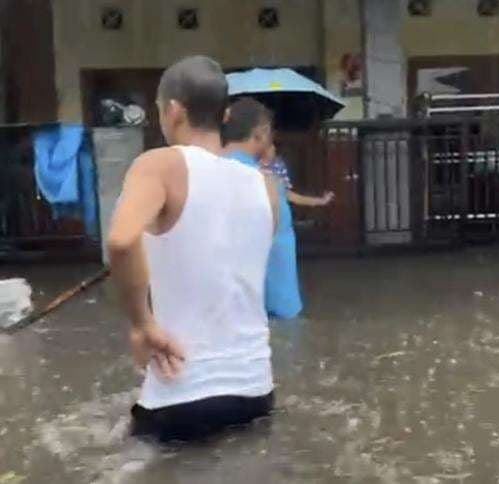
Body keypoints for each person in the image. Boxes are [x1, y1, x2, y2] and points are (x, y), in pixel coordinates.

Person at [108, 56, 280, 442]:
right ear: (226, 113)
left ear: (172, 111)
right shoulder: (265, 185)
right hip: (255, 390)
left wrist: (142, 325)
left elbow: (121, 241)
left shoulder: (159, 165)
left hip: (181, 394)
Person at [223, 98, 303, 320]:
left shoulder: (202, 172)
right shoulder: (262, 181)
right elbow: (272, 238)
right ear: (261, 133)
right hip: (272, 302)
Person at [261, 143, 334, 208]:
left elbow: (290, 195)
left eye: (272, 145)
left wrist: (321, 201)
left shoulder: (279, 166)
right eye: (270, 146)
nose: (274, 148)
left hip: (282, 216)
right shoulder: (254, 170)